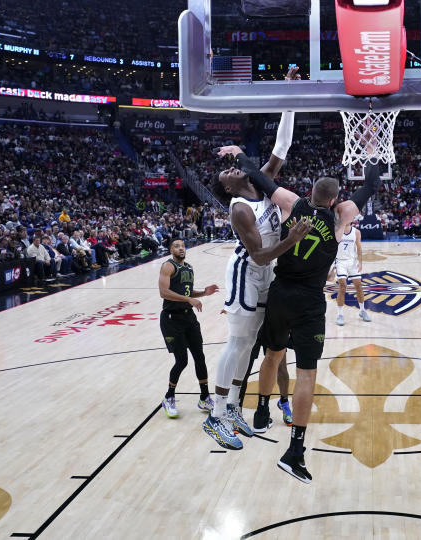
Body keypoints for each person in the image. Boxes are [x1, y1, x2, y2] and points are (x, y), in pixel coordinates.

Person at [245, 149, 383, 482]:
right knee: (307, 374)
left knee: (272, 355)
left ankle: (262, 412)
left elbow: (261, 178)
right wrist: (372, 156)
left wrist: (240, 157)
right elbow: (371, 186)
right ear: (335, 199)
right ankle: (295, 451)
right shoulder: (341, 218)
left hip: (280, 292)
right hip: (309, 301)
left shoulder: (294, 204)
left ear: (309, 193)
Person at [200, 67, 310, 451]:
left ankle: (233, 407)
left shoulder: (261, 180)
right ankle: (215, 416)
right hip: (248, 272)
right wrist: (292, 238)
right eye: (224, 174)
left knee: (250, 346)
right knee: (237, 341)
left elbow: (283, 144)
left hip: (266, 271)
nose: (228, 171)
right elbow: (261, 256)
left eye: (230, 168)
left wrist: (290, 96)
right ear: (227, 187)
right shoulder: (239, 208)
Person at [158, 239, 219, 418]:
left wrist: (203, 293)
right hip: (171, 319)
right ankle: (168, 397)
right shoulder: (167, 266)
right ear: (171, 249)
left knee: (200, 357)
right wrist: (188, 300)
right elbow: (164, 292)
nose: (181, 248)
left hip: (188, 318)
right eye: (177, 246)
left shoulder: (189, 267)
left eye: (183, 245)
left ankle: (204, 398)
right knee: (182, 360)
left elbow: (187, 293)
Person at [334, 222, 371, 326]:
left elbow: (359, 248)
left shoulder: (356, 232)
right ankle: (340, 315)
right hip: (340, 261)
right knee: (342, 286)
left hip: (352, 262)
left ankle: (362, 311)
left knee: (358, 286)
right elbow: (331, 247)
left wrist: (360, 262)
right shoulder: (337, 231)